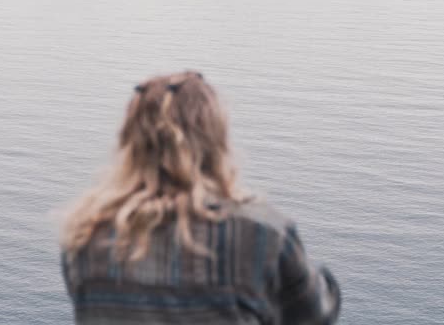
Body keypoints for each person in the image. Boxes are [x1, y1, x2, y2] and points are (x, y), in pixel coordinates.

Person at [61, 70, 341, 324]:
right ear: (215, 139)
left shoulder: (84, 234)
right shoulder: (262, 233)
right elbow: (315, 317)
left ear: (131, 141)